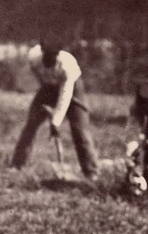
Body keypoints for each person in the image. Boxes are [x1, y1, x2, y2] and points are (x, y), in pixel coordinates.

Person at [10, 40, 99, 180]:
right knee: (31, 125)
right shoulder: (34, 58)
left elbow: (65, 96)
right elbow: (33, 78)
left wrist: (55, 122)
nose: (48, 59)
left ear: (58, 54)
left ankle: (91, 171)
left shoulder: (66, 65)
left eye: (52, 56)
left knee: (80, 129)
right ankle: (16, 165)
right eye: (46, 55)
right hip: (47, 88)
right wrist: (46, 99)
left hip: (73, 90)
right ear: (42, 51)